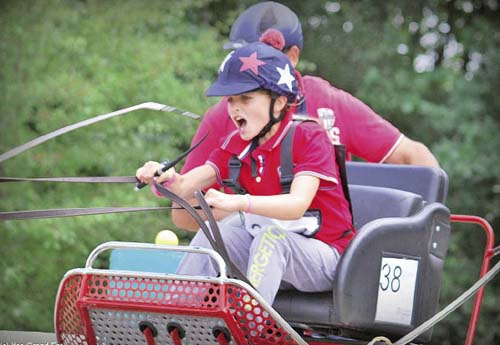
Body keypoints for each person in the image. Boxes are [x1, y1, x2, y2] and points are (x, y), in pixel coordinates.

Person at [173, 1, 439, 230]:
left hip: (322, 245)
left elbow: (411, 156)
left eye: (265, 58)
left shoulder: (328, 103)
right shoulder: (224, 116)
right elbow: (182, 212)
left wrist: (429, 230)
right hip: (246, 247)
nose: (248, 75)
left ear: (293, 56)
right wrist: (253, 216)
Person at [136, 32, 354, 304]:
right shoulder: (234, 145)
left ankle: (247, 327)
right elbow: (184, 186)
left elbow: (297, 204)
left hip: (327, 258)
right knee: (220, 232)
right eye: (230, 101)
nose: (235, 109)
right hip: (268, 254)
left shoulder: (309, 137)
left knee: (270, 237)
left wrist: (237, 202)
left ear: (279, 101)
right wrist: (163, 178)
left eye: (246, 99)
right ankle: (175, 317)